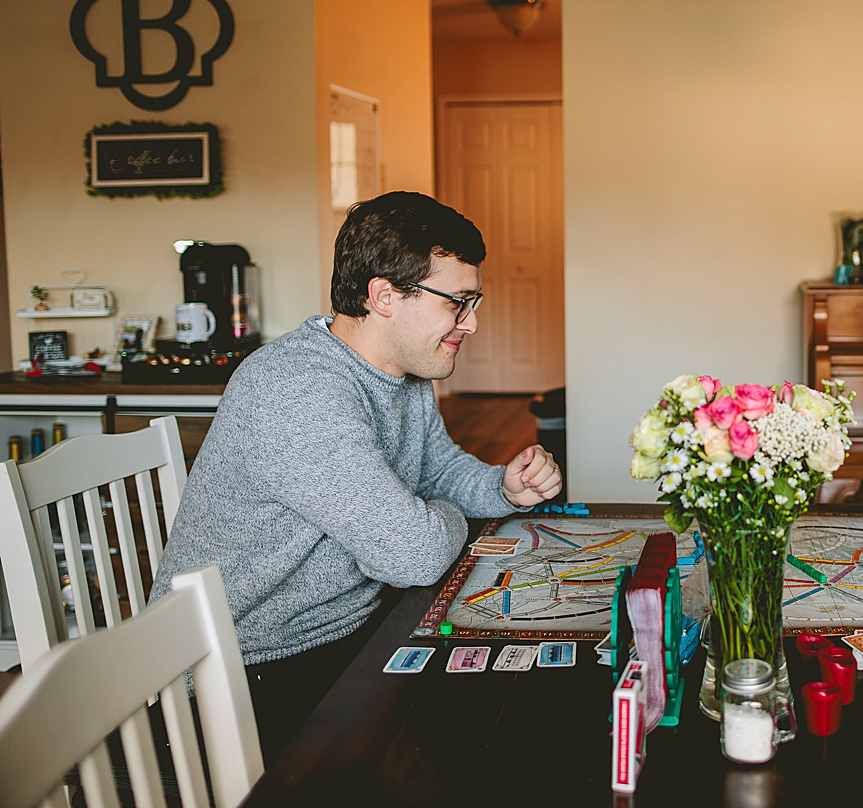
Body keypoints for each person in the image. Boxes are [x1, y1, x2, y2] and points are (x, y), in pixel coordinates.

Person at [151, 191, 562, 760]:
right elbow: (412, 554)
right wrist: (435, 518)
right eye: (458, 302)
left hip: (347, 630)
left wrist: (500, 487)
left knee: (519, 705)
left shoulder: (403, 371)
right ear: (384, 295)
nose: (471, 324)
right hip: (244, 670)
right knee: (485, 738)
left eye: (475, 301)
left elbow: (435, 468)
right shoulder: (299, 387)